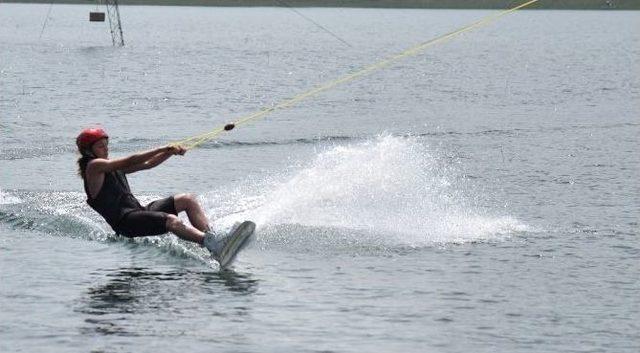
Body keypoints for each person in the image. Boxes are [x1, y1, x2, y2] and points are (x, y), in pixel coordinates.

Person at [76, 127, 250, 267]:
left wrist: (170, 153)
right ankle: (212, 244)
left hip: (137, 212)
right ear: (88, 151)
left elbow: (148, 164)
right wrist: (162, 148)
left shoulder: (109, 167)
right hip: (125, 223)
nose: (106, 149)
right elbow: (129, 161)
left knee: (187, 199)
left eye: (106, 145)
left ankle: (213, 239)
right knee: (171, 220)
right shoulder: (93, 166)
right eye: (100, 146)